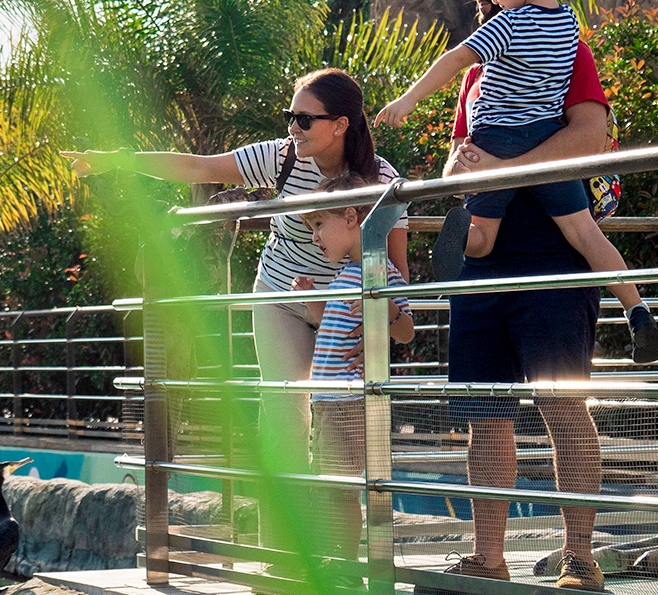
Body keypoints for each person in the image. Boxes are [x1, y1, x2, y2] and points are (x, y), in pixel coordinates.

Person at [62, 67, 409, 497]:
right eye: (290, 116)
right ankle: (284, 546)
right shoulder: (282, 157)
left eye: (305, 119)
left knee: (342, 429)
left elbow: (395, 276)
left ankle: (338, 543)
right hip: (281, 296)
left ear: (340, 125)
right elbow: (199, 168)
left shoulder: (382, 181)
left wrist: (373, 322)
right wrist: (119, 159)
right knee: (284, 413)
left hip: (345, 307)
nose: (293, 128)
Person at [405, 0, 623, 595]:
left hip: (554, 260)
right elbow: (457, 160)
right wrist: (463, 170)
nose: (486, 4)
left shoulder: (567, 49)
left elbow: (590, 135)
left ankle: (580, 558)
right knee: (485, 410)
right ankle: (487, 557)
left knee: (564, 405)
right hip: (482, 263)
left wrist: (502, 169)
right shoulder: (478, 74)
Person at [374, 0, 658, 363]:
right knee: (586, 233)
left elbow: (456, 59)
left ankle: (463, 238)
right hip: (545, 135)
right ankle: (638, 310)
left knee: (483, 238)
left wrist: (408, 100)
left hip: (496, 139)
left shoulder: (508, 26)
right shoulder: (568, 25)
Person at [291, 173, 415, 561]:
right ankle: (336, 557)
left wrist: (387, 308)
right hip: (327, 400)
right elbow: (330, 323)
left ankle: (342, 561)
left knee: (338, 486)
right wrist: (312, 301)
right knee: (329, 485)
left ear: (349, 217)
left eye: (318, 225)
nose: (315, 237)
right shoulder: (342, 276)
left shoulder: (382, 274)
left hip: (349, 401)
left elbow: (407, 332)